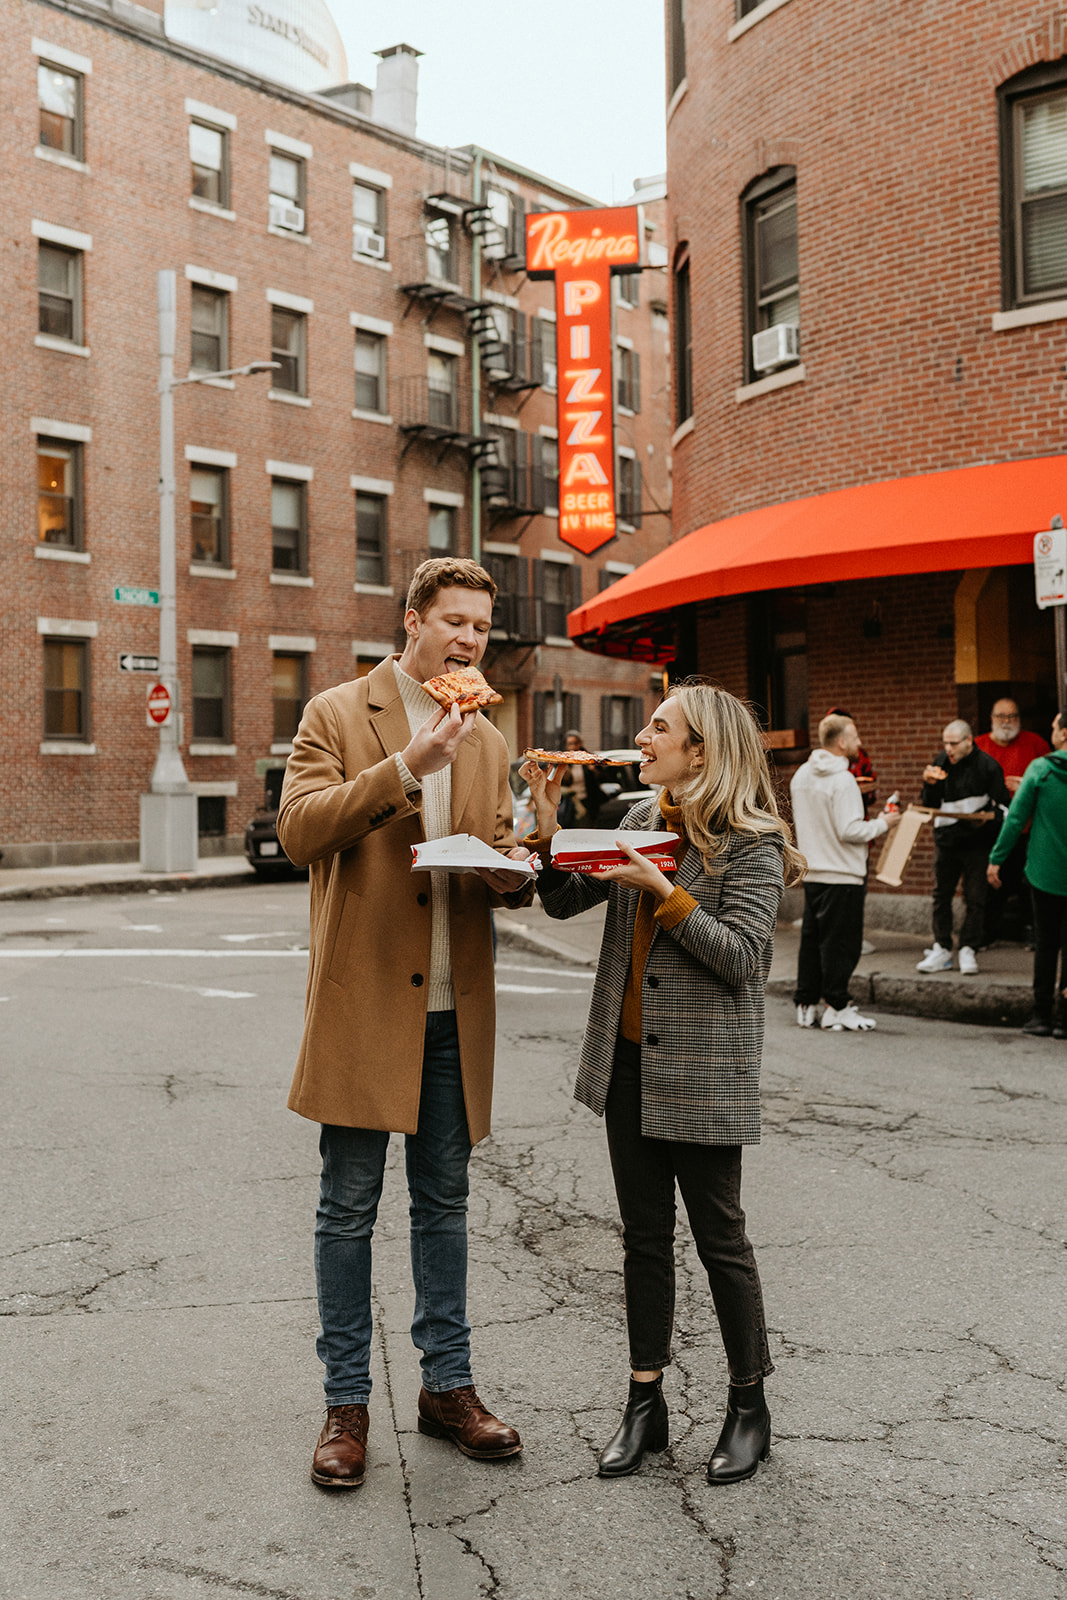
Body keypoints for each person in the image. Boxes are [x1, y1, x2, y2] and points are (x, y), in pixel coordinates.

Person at [277, 558, 535, 1491]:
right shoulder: (338, 715)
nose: (469, 641)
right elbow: (299, 831)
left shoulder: (492, 739)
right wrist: (404, 767)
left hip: (449, 1014)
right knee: (347, 1209)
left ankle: (447, 1388)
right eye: (455, 622)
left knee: (446, 1207)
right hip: (362, 1004)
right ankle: (346, 1404)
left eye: (481, 628)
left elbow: (502, 842)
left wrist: (513, 871)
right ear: (413, 621)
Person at [520, 684, 803, 1485]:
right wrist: (546, 831)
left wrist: (664, 894)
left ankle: (748, 1406)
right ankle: (645, 1404)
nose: (641, 738)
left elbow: (743, 958)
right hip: (629, 1063)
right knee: (642, 1239)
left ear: (701, 751)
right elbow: (566, 900)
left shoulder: (750, 843)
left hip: (703, 1069)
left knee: (720, 1242)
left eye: (658, 728)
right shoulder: (638, 822)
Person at [790, 713, 900, 1031]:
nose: (859, 742)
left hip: (814, 871)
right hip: (843, 874)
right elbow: (849, 830)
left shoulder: (801, 776)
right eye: (855, 736)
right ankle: (837, 1006)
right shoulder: (843, 779)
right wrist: (885, 823)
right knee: (841, 945)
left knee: (811, 942)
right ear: (841, 742)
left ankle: (806, 1004)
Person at [987, 710, 1067, 1036]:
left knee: (1046, 944)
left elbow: (1016, 819)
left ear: (1064, 733)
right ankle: (1065, 1020)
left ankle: (1041, 1015)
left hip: (1044, 873)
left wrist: (996, 859)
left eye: (1054, 726)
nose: (1051, 730)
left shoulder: (1040, 769)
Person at [916, 720, 1010, 975]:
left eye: (954, 743)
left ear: (969, 741)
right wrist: (930, 784)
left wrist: (985, 821)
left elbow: (1003, 807)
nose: (948, 748)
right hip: (946, 841)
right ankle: (942, 948)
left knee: (976, 898)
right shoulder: (940, 762)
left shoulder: (988, 766)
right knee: (940, 896)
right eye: (945, 743)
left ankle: (969, 948)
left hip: (977, 844)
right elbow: (929, 804)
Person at [975, 699, 1051, 945]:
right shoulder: (979, 745)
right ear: (991, 718)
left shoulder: (1035, 743)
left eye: (1012, 716)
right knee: (992, 883)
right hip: (992, 827)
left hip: (1029, 827)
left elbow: (1053, 779)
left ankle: (1032, 932)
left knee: (1028, 882)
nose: (1007, 722)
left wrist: (1026, 787)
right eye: (1001, 716)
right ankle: (987, 932)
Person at [826, 705, 877, 813]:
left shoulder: (861, 756)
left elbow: (872, 790)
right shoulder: (818, 762)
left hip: (859, 814)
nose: (859, 742)